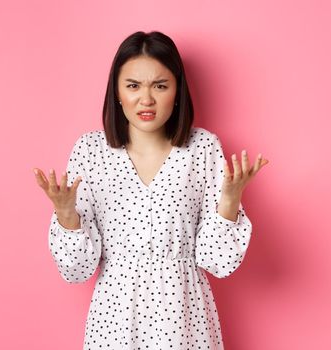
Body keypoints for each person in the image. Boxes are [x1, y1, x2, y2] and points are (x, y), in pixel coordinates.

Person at [33, 30, 268, 349]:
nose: (146, 99)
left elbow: (217, 261)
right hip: (114, 323)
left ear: (178, 90)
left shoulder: (202, 149)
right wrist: (65, 214)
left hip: (185, 320)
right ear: (116, 91)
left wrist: (229, 199)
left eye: (160, 85)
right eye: (133, 86)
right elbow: (76, 270)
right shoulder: (91, 152)